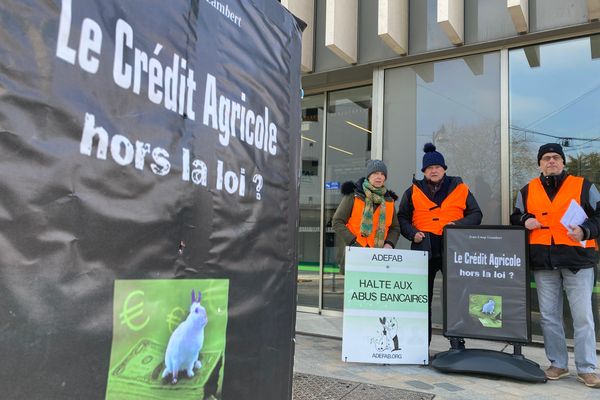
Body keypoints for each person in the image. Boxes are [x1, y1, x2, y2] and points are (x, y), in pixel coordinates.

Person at [510, 143, 600, 388]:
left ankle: (587, 368)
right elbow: (515, 215)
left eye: (556, 157)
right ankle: (558, 364)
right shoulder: (527, 190)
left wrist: (585, 230)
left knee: (582, 317)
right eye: (546, 158)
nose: (551, 161)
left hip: (577, 260)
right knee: (549, 317)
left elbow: (599, 215)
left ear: (563, 162)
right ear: (539, 163)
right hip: (543, 261)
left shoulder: (584, 186)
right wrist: (526, 219)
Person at [397, 143, 482, 348]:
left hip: (452, 249)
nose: (433, 170)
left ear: (444, 169)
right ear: (424, 171)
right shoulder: (412, 191)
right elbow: (402, 218)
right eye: (429, 168)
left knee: (456, 298)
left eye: (437, 167)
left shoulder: (460, 188)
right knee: (421, 299)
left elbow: (476, 214)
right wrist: (411, 234)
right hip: (422, 250)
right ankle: (420, 345)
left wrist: (456, 225)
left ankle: (456, 343)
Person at [332, 160, 400, 257]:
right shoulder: (353, 195)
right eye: (375, 173)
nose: (379, 177)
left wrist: (389, 244)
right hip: (354, 253)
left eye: (382, 174)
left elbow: (395, 227)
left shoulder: (389, 201)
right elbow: (337, 221)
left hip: (379, 255)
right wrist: (353, 242)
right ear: (368, 176)